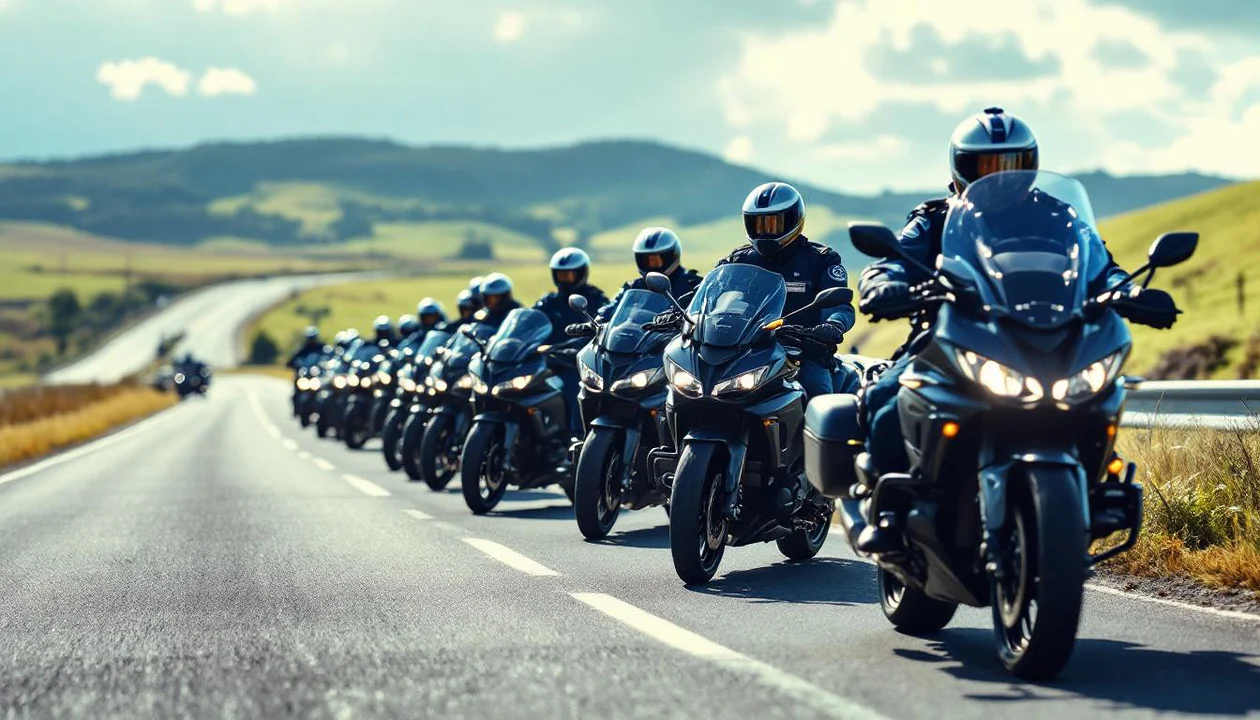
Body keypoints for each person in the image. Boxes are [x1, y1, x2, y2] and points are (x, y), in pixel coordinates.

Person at [856, 107, 1179, 551]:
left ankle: (1093, 487)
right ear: (960, 169)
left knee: (1099, 396)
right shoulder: (935, 219)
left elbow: (1102, 267)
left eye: (1011, 165)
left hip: (1048, 337)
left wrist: (1131, 293)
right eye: (985, 167)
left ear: (1030, 166)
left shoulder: (1060, 218)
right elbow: (892, 259)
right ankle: (890, 515)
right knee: (885, 399)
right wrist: (884, 283)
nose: (999, 177)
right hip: (952, 335)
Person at [703, 182, 855, 399]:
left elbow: (839, 305)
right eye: (758, 224)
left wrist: (833, 325)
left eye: (773, 224)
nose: (764, 231)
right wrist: (678, 311)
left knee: (817, 396)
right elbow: (709, 291)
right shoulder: (739, 260)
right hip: (746, 350)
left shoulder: (821, 260)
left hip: (804, 352)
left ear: (794, 220)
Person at [533, 248, 609, 433]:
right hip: (547, 360)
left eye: (569, 274)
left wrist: (575, 348)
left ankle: (575, 436)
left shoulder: (595, 300)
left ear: (581, 273)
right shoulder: (548, 302)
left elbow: (604, 327)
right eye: (561, 274)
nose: (565, 279)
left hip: (577, 363)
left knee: (574, 387)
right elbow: (530, 321)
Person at [582, 227, 702, 327]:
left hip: (674, 343)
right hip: (637, 342)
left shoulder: (694, 285)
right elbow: (611, 309)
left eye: (656, 260)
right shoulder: (633, 287)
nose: (651, 264)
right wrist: (594, 323)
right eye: (646, 260)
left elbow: (703, 317)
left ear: (672, 255)